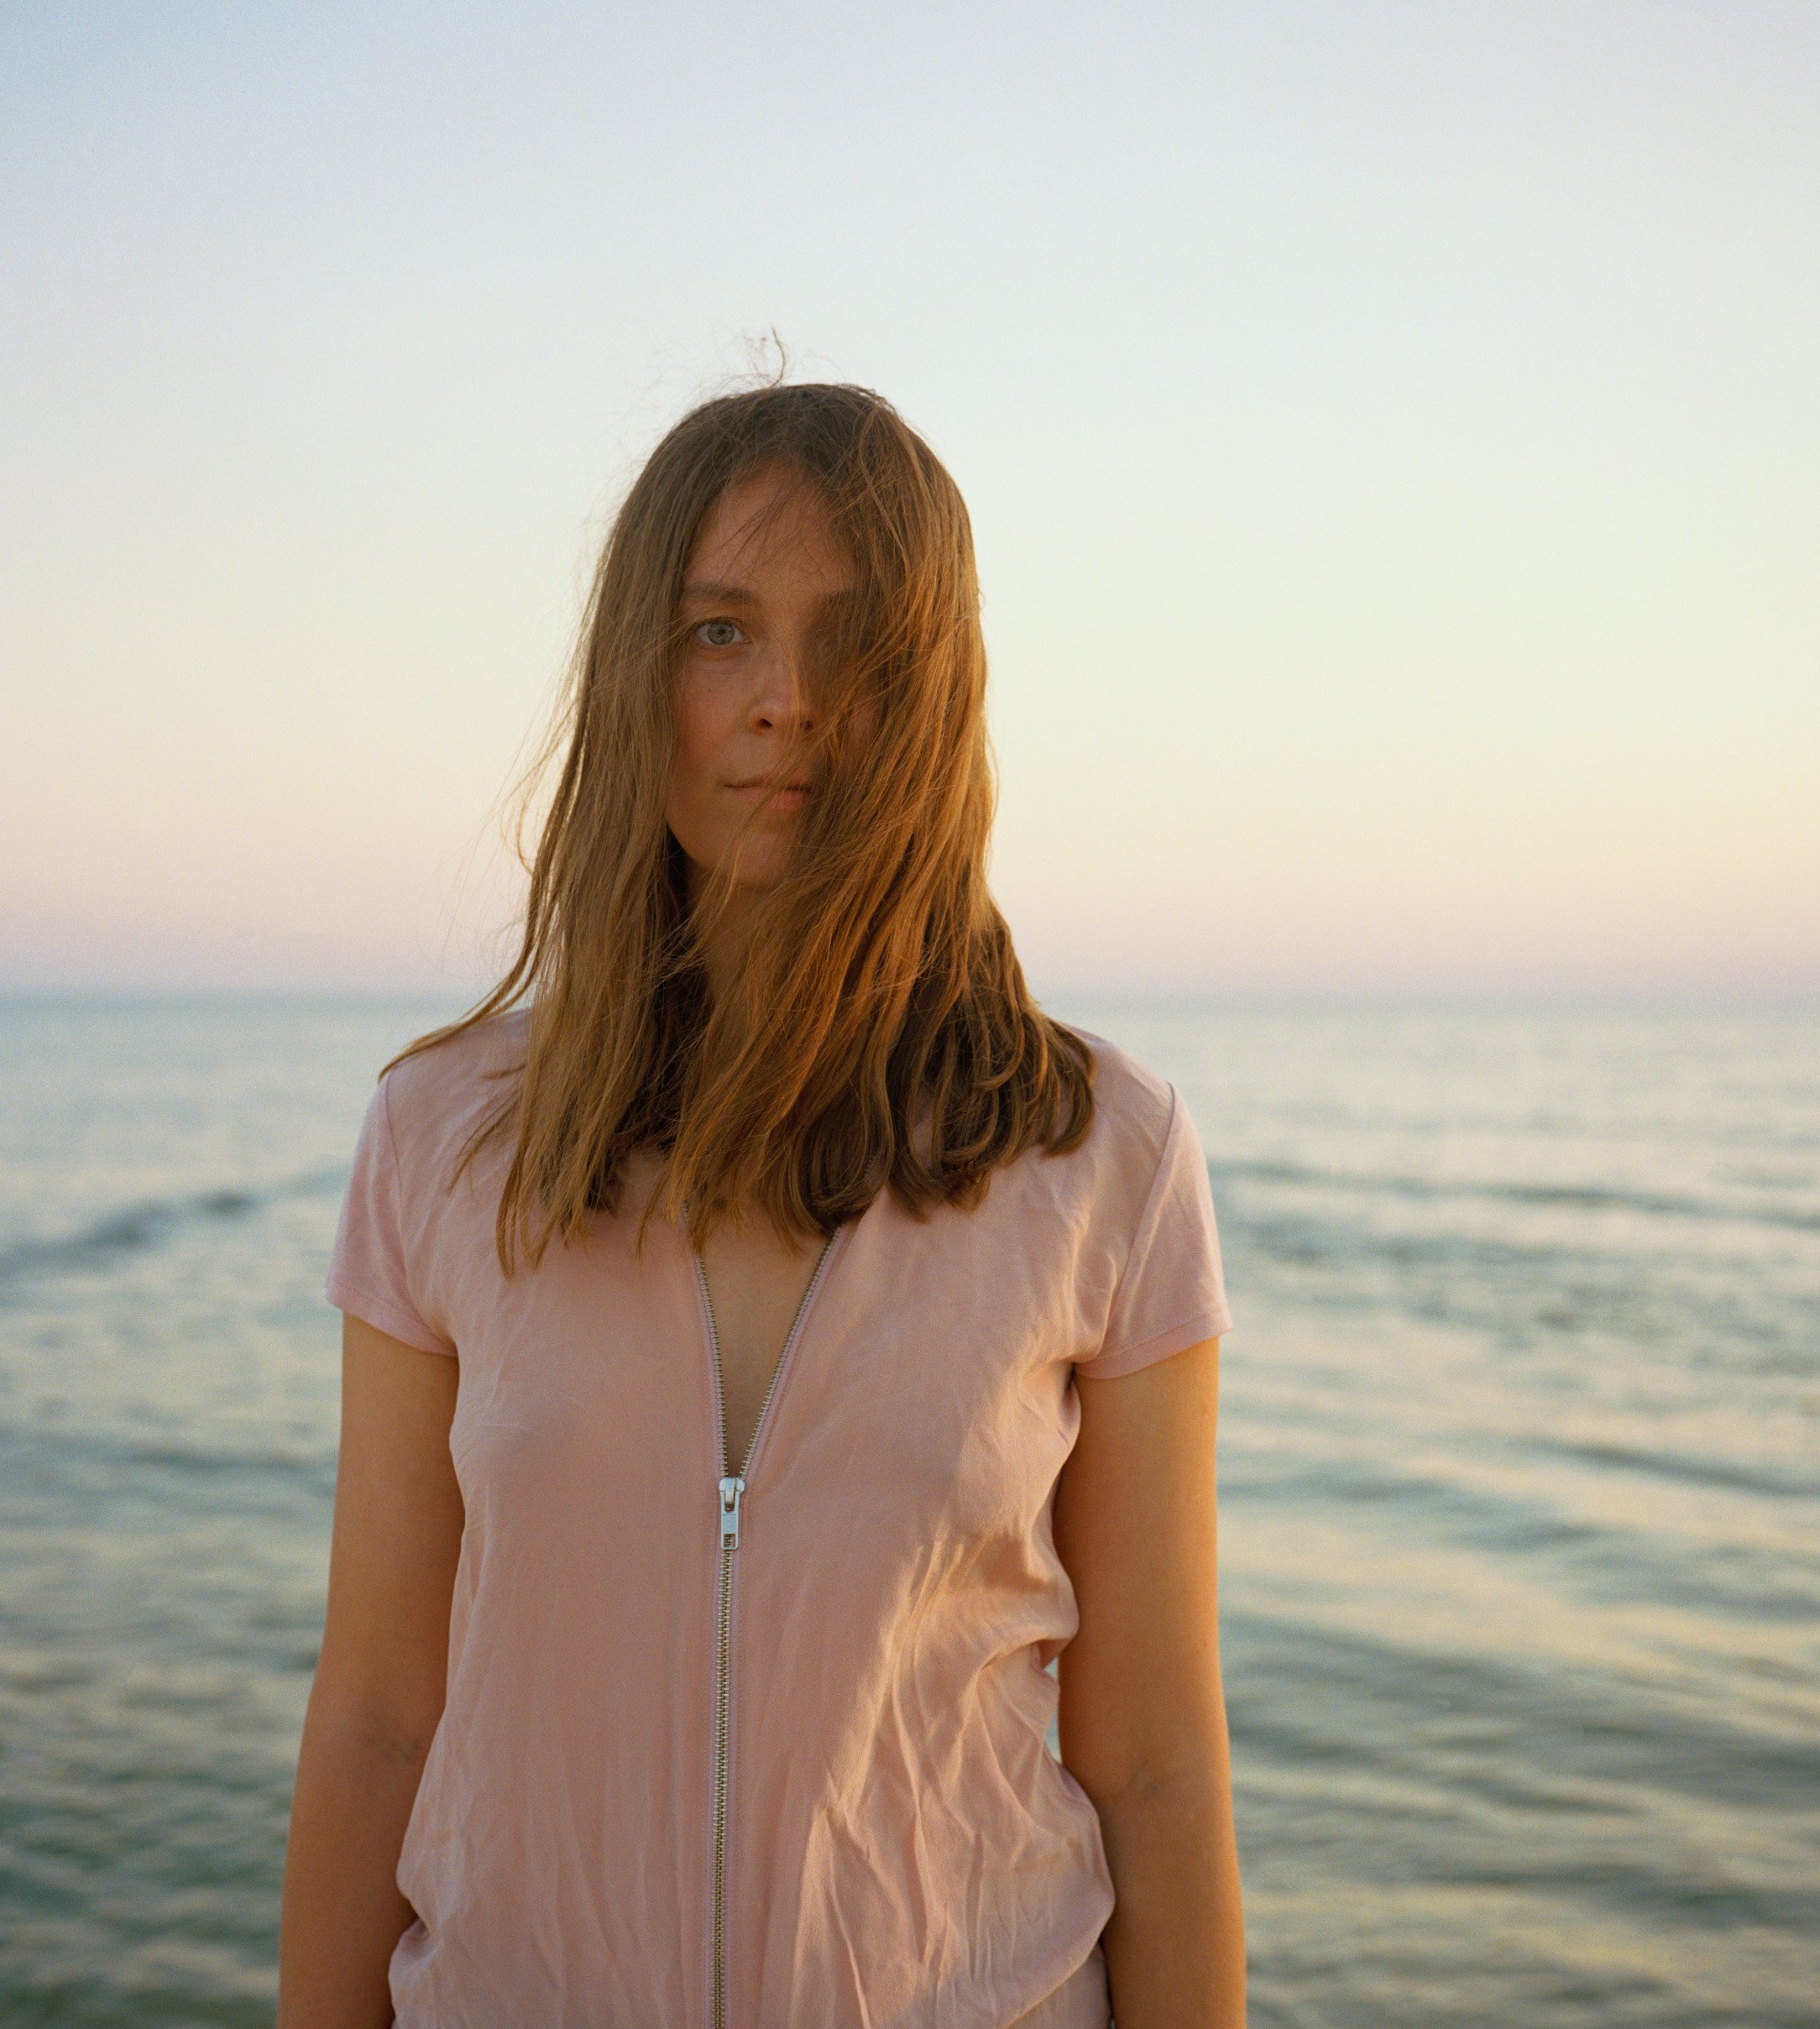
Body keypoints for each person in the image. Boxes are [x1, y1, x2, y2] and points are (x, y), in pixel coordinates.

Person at [276, 380, 1247, 2028]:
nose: (786, 702)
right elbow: (377, 1708)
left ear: (928, 692)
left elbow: (1152, 1759)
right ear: (637, 676)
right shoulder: (441, 1139)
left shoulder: (1100, 1155)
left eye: (849, 643)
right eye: (720, 631)